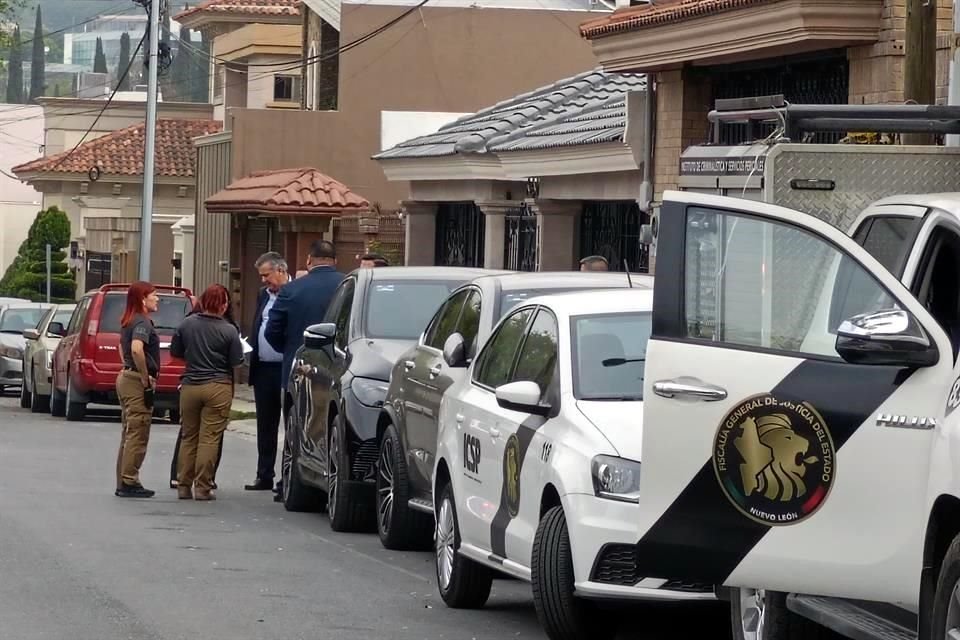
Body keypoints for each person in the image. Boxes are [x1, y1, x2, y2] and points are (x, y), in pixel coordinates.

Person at [265, 240, 345, 500]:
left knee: (296, 424)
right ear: (334, 260)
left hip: (300, 366)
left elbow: (272, 331)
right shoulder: (347, 285)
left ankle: (292, 480)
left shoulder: (292, 290)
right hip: (339, 366)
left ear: (309, 260)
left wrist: (289, 350)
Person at [170, 284, 244, 501]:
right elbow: (236, 361)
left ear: (202, 301)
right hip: (218, 385)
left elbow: (176, 352)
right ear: (223, 305)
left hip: (191, 384)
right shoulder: (229, 330)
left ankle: (183, 484)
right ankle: (202, 487)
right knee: (209, 438)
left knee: (188, 436)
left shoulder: (186, 325)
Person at [244, 252, 291, 491]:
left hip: (286, 369)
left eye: (266, 275)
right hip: (263, 368)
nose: (263, 280)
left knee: (290, 424)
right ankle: (264, 474)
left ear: (281, 271)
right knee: (266, 424)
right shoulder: (263, 295)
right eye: (261, 276)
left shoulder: (295, 293)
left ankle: (287, 477)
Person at [115, 281, 161, 499]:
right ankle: (129, 480)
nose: (157, 299)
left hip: (126, 377)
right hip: (135, 380)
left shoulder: (128, 320)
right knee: (138, 431)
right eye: (154, 295)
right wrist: (144, 376)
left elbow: (120, 346)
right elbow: (136, 348)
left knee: (129, 431)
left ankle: (123, 478)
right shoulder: (142, 321)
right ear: (143, 299)